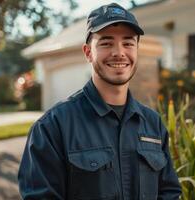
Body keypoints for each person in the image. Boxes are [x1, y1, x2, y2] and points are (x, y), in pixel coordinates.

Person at [18, 3, 182, 200]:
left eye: (128, 43)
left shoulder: (153, 123)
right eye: (106, 43)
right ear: (88, 52)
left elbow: (169, 193)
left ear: (137, 49)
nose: (119, 52)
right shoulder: (53, 126)